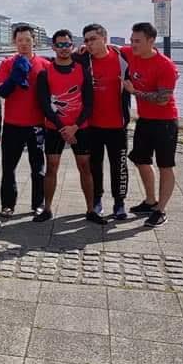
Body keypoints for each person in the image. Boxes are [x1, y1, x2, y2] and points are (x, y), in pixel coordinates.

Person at [121, 22, 180, 228]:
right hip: (145, 120)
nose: (133, 44)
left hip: (165, 122)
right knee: (140, 160)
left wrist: (134, 91)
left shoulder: (165, 66)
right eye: (132, 40)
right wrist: (82, 48)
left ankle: (161, 210)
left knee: (165, 165)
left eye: (137, 41)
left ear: (151, 41)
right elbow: (112, 48)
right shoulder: (133, 54)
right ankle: (150, 200)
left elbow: (163, 99)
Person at [36, 29, 98, 224]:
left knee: (85, 167)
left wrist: (74, 127)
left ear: (72, 46)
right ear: (54, 47)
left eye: (67, 45)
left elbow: (89, 104)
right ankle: (46, 209)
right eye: (60, 45)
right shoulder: (45, 73)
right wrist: (63, 127)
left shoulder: (82, 70)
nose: (63, 48)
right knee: (52, 167)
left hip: (80, 127)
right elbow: (45, 105)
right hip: (55, 127)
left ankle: (91, 209)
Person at [0, 24, 50, 219]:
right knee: (8, 168)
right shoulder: (7, 63)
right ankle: (8, 205)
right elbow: (2, 92)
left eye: (28, 40)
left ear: (33, 41)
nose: (24, 44)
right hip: (12, 124)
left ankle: (38, 204)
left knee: (38, 168)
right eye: (20, 40)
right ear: (14, 42)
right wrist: (15, 77)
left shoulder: (45, 64)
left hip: (37, 124)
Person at [82, 23, 131, 221]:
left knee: (119, 165)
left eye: (93, 39)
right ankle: (96, 200)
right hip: (92, 125)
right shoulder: (85, 60)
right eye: (86, 40)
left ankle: (119, 202)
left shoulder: (121, 58)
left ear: (104, 38)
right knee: (95, 165)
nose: (89, 44)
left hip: (117, 124)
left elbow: (145, 53)